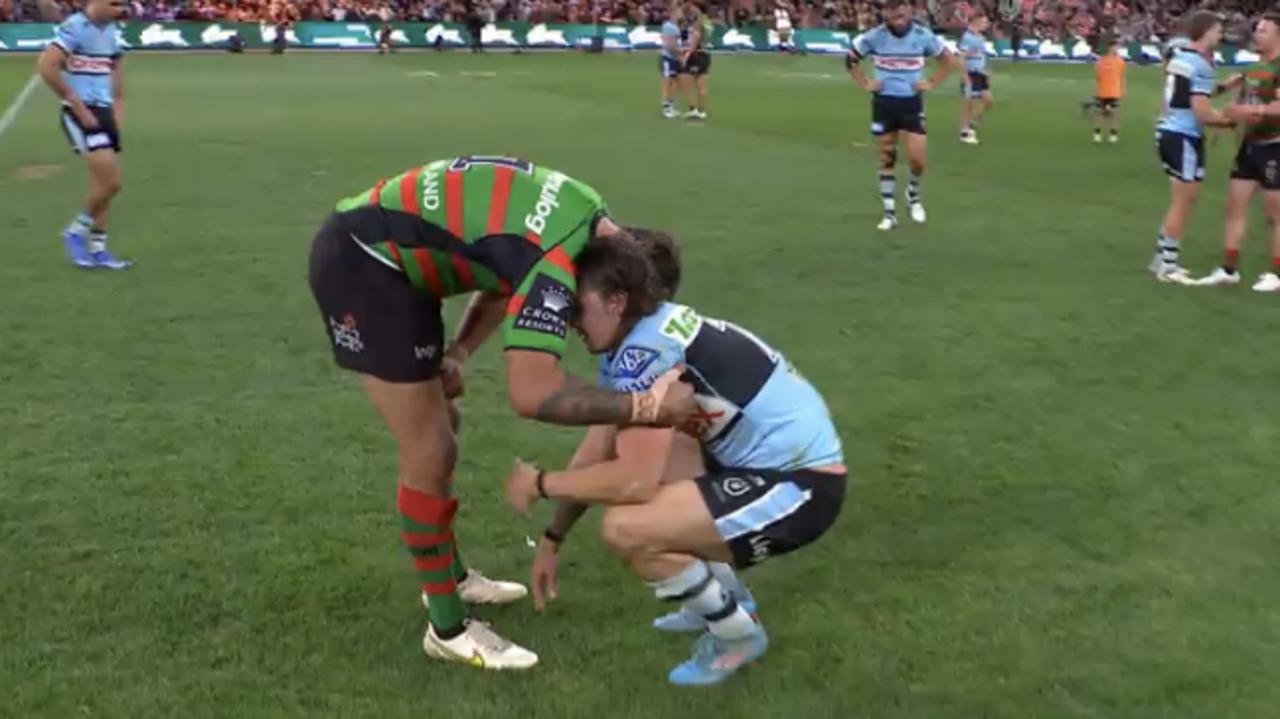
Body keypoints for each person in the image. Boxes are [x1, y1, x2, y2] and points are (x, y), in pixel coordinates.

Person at [306, 156, 697, 670]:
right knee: (431, 448)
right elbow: (531, 393)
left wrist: (461, 352)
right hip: (363, 262)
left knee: (446, 427)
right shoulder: (558, 259)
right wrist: (645, 406)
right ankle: (446, 629)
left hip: (396, 265)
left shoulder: (587, 216)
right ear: (618, 292)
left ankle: (448, 579)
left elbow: (500, 268)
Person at [505, 233, 846, 687]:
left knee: (626, 527)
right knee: (667, 448)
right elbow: (598, 448)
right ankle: (727, 596)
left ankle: (736, 635)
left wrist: (541, 482)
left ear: (615, 301)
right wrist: (552, 538)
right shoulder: (640, 339)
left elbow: (632, 483)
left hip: (801, 487)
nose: (569, 322)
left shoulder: (646, 354)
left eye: (577, 307)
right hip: (769, 469)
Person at [35, 0, 131, 269]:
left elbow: (117, 80)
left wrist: (118, 113)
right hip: (82, 114)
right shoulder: (75, 27)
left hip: (104, 114)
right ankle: (75, 232)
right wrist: (76, 105)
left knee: (101, 184)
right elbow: (46, 66)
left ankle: (99, 250)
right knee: (112, 182)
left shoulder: (113, 32)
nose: (119, 10)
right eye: (114, 4)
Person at [845, 0, 954, 231]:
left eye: (900, 7)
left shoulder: (923, 36)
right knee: (886, 155)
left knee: (917, 159)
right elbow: (851, 59)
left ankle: (912, 194)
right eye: (890, 8)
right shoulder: (874, 37)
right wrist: (865, 83)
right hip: (884, 103)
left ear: (909, 10)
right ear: (884, 12)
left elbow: (947, 59)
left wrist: (931, 83)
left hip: (911, 104)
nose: (896, 12)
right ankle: (889, 213)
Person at [1199, 13, 1280, 291]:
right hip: (1249, 145)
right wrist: (1210, 90)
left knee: (1274, 213)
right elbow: (1237, 81)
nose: (1257, 34)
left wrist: (1247, 110)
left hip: (1274, 146)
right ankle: (1229, 269)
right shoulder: (1257, 66)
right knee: (1234, 206)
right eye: (1257, 29)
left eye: (1264, 30)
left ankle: (1276, 274)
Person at [1151, 11, 1233, 285]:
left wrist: (1223, 87)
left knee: (1184, 197)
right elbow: (1201, 111)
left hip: (1170, 131)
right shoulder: (1200, 64)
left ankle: (1161, 258)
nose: (1221, 35)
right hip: (1183, 135)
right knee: (1183, 200)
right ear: (1206, 31)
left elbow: (1186, 96)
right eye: (1218, 30)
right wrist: (1232, 121)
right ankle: (1168, 265)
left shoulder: (1180, 57)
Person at [958, 10, 992, 145]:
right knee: (969, 104)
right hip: (971, 73)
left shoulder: (980, 37)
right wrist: (964, 75)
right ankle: (964, 131)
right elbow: (961, 57)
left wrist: (985, 71)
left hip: (980, 73)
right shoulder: (967, 37)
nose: (986, 24)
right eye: (984, 22)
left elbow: (980, 55)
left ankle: (971, 123)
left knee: (988, 101)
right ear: (975, 21)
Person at [678, 2, 712, 120]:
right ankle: (700, 111)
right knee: (700, 84)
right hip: (705, 54)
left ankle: (694, 109)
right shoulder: (707, 23)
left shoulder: (699, 23)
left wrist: (686, 56)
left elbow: (695, 39)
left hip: (697, 54)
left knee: (686, 80)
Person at [1092, 37, 1125, 144]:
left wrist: (1122, 89)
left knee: (1113, 114)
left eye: (1118, 47)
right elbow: (1097, 77)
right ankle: (1097, 134)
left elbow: (1121, 76)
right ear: (1110, 48)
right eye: (1115, 47)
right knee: (1099, 113)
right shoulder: (1101, 61)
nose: (1117, 49)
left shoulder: (1120, 61)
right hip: (1102, 91)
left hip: (1114, 91)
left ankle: (1113, 134)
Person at [659, 6, 682, 119]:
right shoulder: (670, 27)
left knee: (674, 82)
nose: (681, 14)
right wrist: (681, 53)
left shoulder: (673, 27)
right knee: (668, 82)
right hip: (669, 58)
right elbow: (670, 45)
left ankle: (670, 106)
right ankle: (666, 107)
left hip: (672, 58)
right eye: (679, 11)